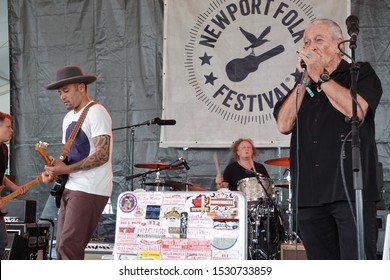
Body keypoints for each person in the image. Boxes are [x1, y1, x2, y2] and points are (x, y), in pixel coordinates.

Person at [273, 19, 382, 260]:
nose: (311, 47)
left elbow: (357, 110)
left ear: (338, 44)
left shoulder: (359, 74)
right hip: (310, 195)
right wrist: (304, 79)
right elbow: (283, 124)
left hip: (350, 193)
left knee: (358, 265)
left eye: (319, 41)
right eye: (306, 42)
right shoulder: (301, 87)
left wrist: (321, 76)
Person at [42, 65, 113, 260]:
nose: (62, 96)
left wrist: (67, 168)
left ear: (81, 87)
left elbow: (102, 154)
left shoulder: (96, 112)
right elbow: (70, 156)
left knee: (69, 247)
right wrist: (55, 170)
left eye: (66, 90)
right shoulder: (68, 118)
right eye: (59, 92)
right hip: (71, 186)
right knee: (62, 247)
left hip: (90, 188)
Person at [0, 112, 27, 258]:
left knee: (2, 242)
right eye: (8, 127)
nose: (11, 130)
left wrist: (15, 188)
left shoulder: (4, 149)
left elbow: (1, 176)